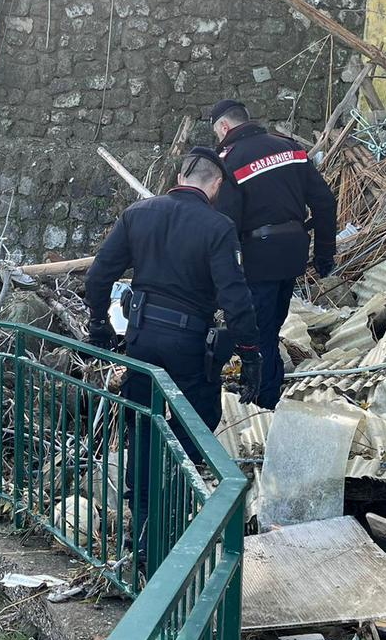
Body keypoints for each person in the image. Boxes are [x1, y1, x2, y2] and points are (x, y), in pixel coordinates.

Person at [84, 146, 261, 547]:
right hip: (189, 343)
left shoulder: (138, 214)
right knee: (197, 420)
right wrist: (251, 355)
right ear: (216, 184)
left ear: (181, 177)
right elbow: (236, 299)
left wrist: (98, 325)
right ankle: (170, 510)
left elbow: (97, 277)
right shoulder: (218, 227)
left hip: (141, 338)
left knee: (143, 422)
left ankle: (142, 521)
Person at [207, 99, 338, 409]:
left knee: (259, 332)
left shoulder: (229, 162)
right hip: (292, 252)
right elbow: (324, 202)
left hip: (257, 257)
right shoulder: (290, 148)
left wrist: (219, 275)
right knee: (272, 325)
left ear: (224, 126)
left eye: (217, 132)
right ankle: (270, 385)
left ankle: (264, 402)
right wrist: (324, 254)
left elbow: (225, 224)